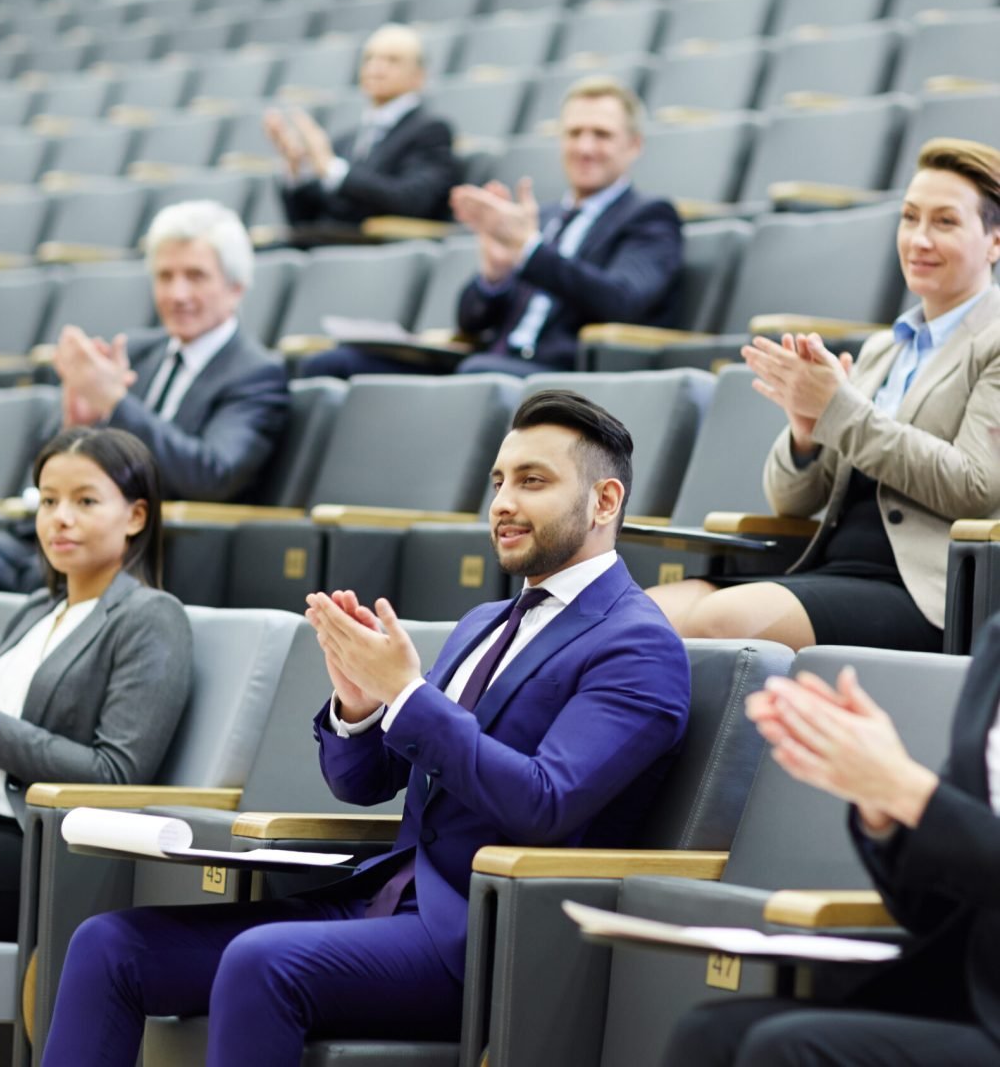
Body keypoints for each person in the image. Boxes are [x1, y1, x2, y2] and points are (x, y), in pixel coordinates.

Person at [41, 389, 691, 1066]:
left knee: (263, 961)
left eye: (533, 482)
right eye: (497, 481)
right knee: (109, 946)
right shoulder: (482, 624)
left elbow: (544, 803)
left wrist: (406, 695)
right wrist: (359, 707)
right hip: (381, 899)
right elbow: (361, 783)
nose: (501, 503)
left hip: (487, 935)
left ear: (605, 501)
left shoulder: (637, 646)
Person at [647, 137, 1000, 652]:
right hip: (827, 566)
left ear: (994, 241)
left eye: (944, 222)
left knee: (720, 621)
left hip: (920, 590)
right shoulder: (885, 348)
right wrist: (805, 431)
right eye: (909, 218)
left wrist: (840, 409)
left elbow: (974, 486)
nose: (919, 239)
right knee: (637, 618)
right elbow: (792, 500)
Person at [662, 623, 1000, 1065]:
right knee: (709, 1033)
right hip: (970, 986)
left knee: (792, 1049)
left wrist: (909, 792)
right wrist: (882, 810)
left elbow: (935, 810)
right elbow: (933, 909)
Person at [0, 199, 289, 594]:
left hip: (143, 559)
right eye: (165, 277)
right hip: (60, 544)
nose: (177, 293)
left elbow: (214, 475)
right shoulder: (136, 351)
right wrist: (76, 426)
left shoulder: (256, 374)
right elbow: (44, 465)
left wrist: (116, 404)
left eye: (195, 276)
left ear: (236, 288)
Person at [0, 427, 192, 943]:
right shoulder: (36, 611)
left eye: (85, 501)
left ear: (136, 515)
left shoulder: (152, 616)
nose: (60, 517)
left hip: (37, 852)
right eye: (48, 500)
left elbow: (116, 778)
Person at [301, 75, 683, 380]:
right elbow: (470, 321)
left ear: (634, 145)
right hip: (489, 365)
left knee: (477, 372)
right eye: (574, 133)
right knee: (332, 364)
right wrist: (494, 276)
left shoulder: (650, 216)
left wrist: (531, 251)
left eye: (601, 134)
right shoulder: (544, 217)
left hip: (563, 378)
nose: (584, 147)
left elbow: (622, 300)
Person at [264, 23, 459, 230]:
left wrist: (331, 169)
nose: (376, 67)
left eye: (392, 60)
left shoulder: (430, 132)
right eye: (369, 59)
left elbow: (412, 201)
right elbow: (308, 222)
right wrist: (299, 170)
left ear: (418, 76)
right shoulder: (346, 141)